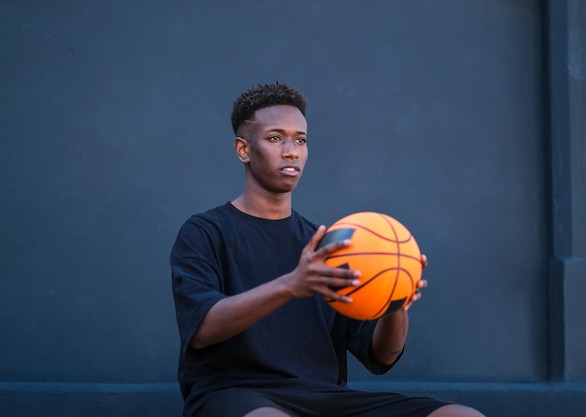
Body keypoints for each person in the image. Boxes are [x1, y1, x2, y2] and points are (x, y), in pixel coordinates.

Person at [171, 82, 484, 417]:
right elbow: (202, 331)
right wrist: (291, 285)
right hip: (234, 394)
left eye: (300, 140)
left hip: (325, 398)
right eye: (275, 138)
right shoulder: (204, 232)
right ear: (243, 149)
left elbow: (382, 356)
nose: (291, 151)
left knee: (462, 416)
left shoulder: (331, 246)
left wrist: (397, 301)